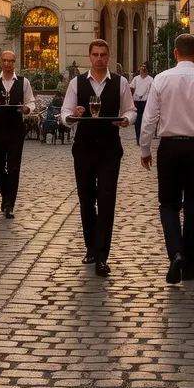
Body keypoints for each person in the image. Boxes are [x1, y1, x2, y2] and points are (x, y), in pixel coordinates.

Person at [140, 33, 194, 284]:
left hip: (170, 147)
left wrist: (145, 149)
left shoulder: (162, 79)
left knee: (168, 204)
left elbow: (150, 118)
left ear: (175, 52)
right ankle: (189, 265)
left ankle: (175, 252)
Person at [61, 39, 134, 277]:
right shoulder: (77, 83)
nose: (99, 59)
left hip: (110, 149)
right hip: (84, 149)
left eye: (103, 54)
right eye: (95, 55)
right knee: (86, 199)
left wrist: (126, 120)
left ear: (108, 56)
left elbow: (130, 110)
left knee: (106, 200)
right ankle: (90, 248)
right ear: (89, 57)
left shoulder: (120, 83)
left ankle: (102, 255)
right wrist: (73, 115)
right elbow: (65, 113)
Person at [0, 50, 35, 218]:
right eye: (5, 61)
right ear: (1, 62)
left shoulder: (23, 82)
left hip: (15, 128)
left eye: (10, 61)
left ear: (15, 62)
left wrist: (26, 109)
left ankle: (9, 204)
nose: (7, 64)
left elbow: (30, 102)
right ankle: (6, 194)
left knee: (14, 168)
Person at [129, 63, 153, 144]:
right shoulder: (136, 79)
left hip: (145, 102)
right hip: (137, 102)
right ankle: (138, 138)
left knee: (145, 121)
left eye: (144, 67)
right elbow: (131, 88)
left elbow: (152, 91)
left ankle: (144, 138)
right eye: (141, 67)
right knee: (138, 121)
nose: (143, 69)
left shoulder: (150, 79)